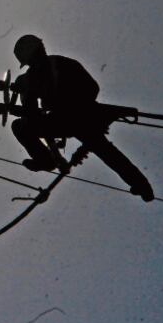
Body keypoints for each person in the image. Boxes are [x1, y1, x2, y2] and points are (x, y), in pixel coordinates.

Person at [10, 34, 154, 201]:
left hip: (81, 116)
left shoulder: (55, 67)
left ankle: (142, 186)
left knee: (105, 150)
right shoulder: (39, 74)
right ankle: (142, 186)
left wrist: (71, 106)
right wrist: (56, 157)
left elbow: (91, 89)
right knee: (105, 150)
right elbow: (33, 118)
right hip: (74, 119)